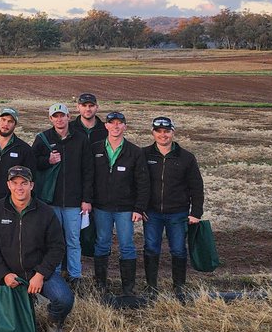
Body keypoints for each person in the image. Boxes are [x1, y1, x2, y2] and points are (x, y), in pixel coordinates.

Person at [0, 166, 73, 332]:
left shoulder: (46, 212)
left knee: (64, 299)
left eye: (24, 183)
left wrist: (40, 274)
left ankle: (54, 324)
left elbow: (57, 246)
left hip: (37, 272)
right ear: (8, 185)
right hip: (8, 274)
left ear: (32, 185)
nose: (19, 188)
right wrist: (4, 273)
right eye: (15, 183)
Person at [143, 117, 205, 299]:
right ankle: (151, 287)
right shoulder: (144, 155)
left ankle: (179, 287)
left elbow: (196, 186)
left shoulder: (186, 157)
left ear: (173, 133)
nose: (163, 135)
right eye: (159, 131)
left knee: (178, 249)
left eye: (167, 131)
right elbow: (137, 183)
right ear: (153, 133)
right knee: (151, 248)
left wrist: (196, 212)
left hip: (178, 213)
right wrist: (139, 207)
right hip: (152, 213)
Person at [32, 103, 94, 285]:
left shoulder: (80, 139)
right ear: (50, 119)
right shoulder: (43, 138)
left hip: (74, 201)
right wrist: (47, 161)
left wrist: (86, 199)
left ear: (69, 117)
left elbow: (88, 170)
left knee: (73, 240)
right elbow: (32, 162)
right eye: (55, 116)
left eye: (62, 116)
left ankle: (75, 276)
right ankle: (54, 275)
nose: (59, 119)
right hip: (50, 201)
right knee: (53, 241)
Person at [91, 112, 148, 296]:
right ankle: (101, 285)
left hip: (125, 209)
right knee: (101, 244)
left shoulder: (134, 152)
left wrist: (139, 207)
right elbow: (88, 178)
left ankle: (128, 288)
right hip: (101, 207)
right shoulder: (96, 149)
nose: (116, 126)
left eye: (119, 123)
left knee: (127, 246)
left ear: (125, 126)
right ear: (106, 126)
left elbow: (142, 182)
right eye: (112, 123)